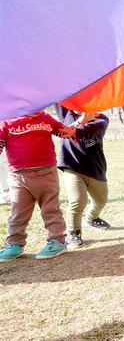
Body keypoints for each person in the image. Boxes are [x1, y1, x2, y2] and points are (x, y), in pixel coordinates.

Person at [0, 109, 75, 261]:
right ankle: (15, 243)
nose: (38, 108)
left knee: (50, 208)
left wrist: (77, 127)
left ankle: (58, 240)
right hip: (18, 176)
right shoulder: (7, 120)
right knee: (18, 212)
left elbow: (63, 131)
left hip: (46, 172)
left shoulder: (45, 118)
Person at [55, 104, 111, 249]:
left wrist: (83, 120)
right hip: (72, 166)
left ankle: (91, 218)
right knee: (78, 200)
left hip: (95, 168)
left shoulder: (101, 119)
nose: (77, 105)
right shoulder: (66, 114)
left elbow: (83, 131)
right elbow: (59, 95)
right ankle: (73, 232)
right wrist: (81, 119)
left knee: (101, 199)